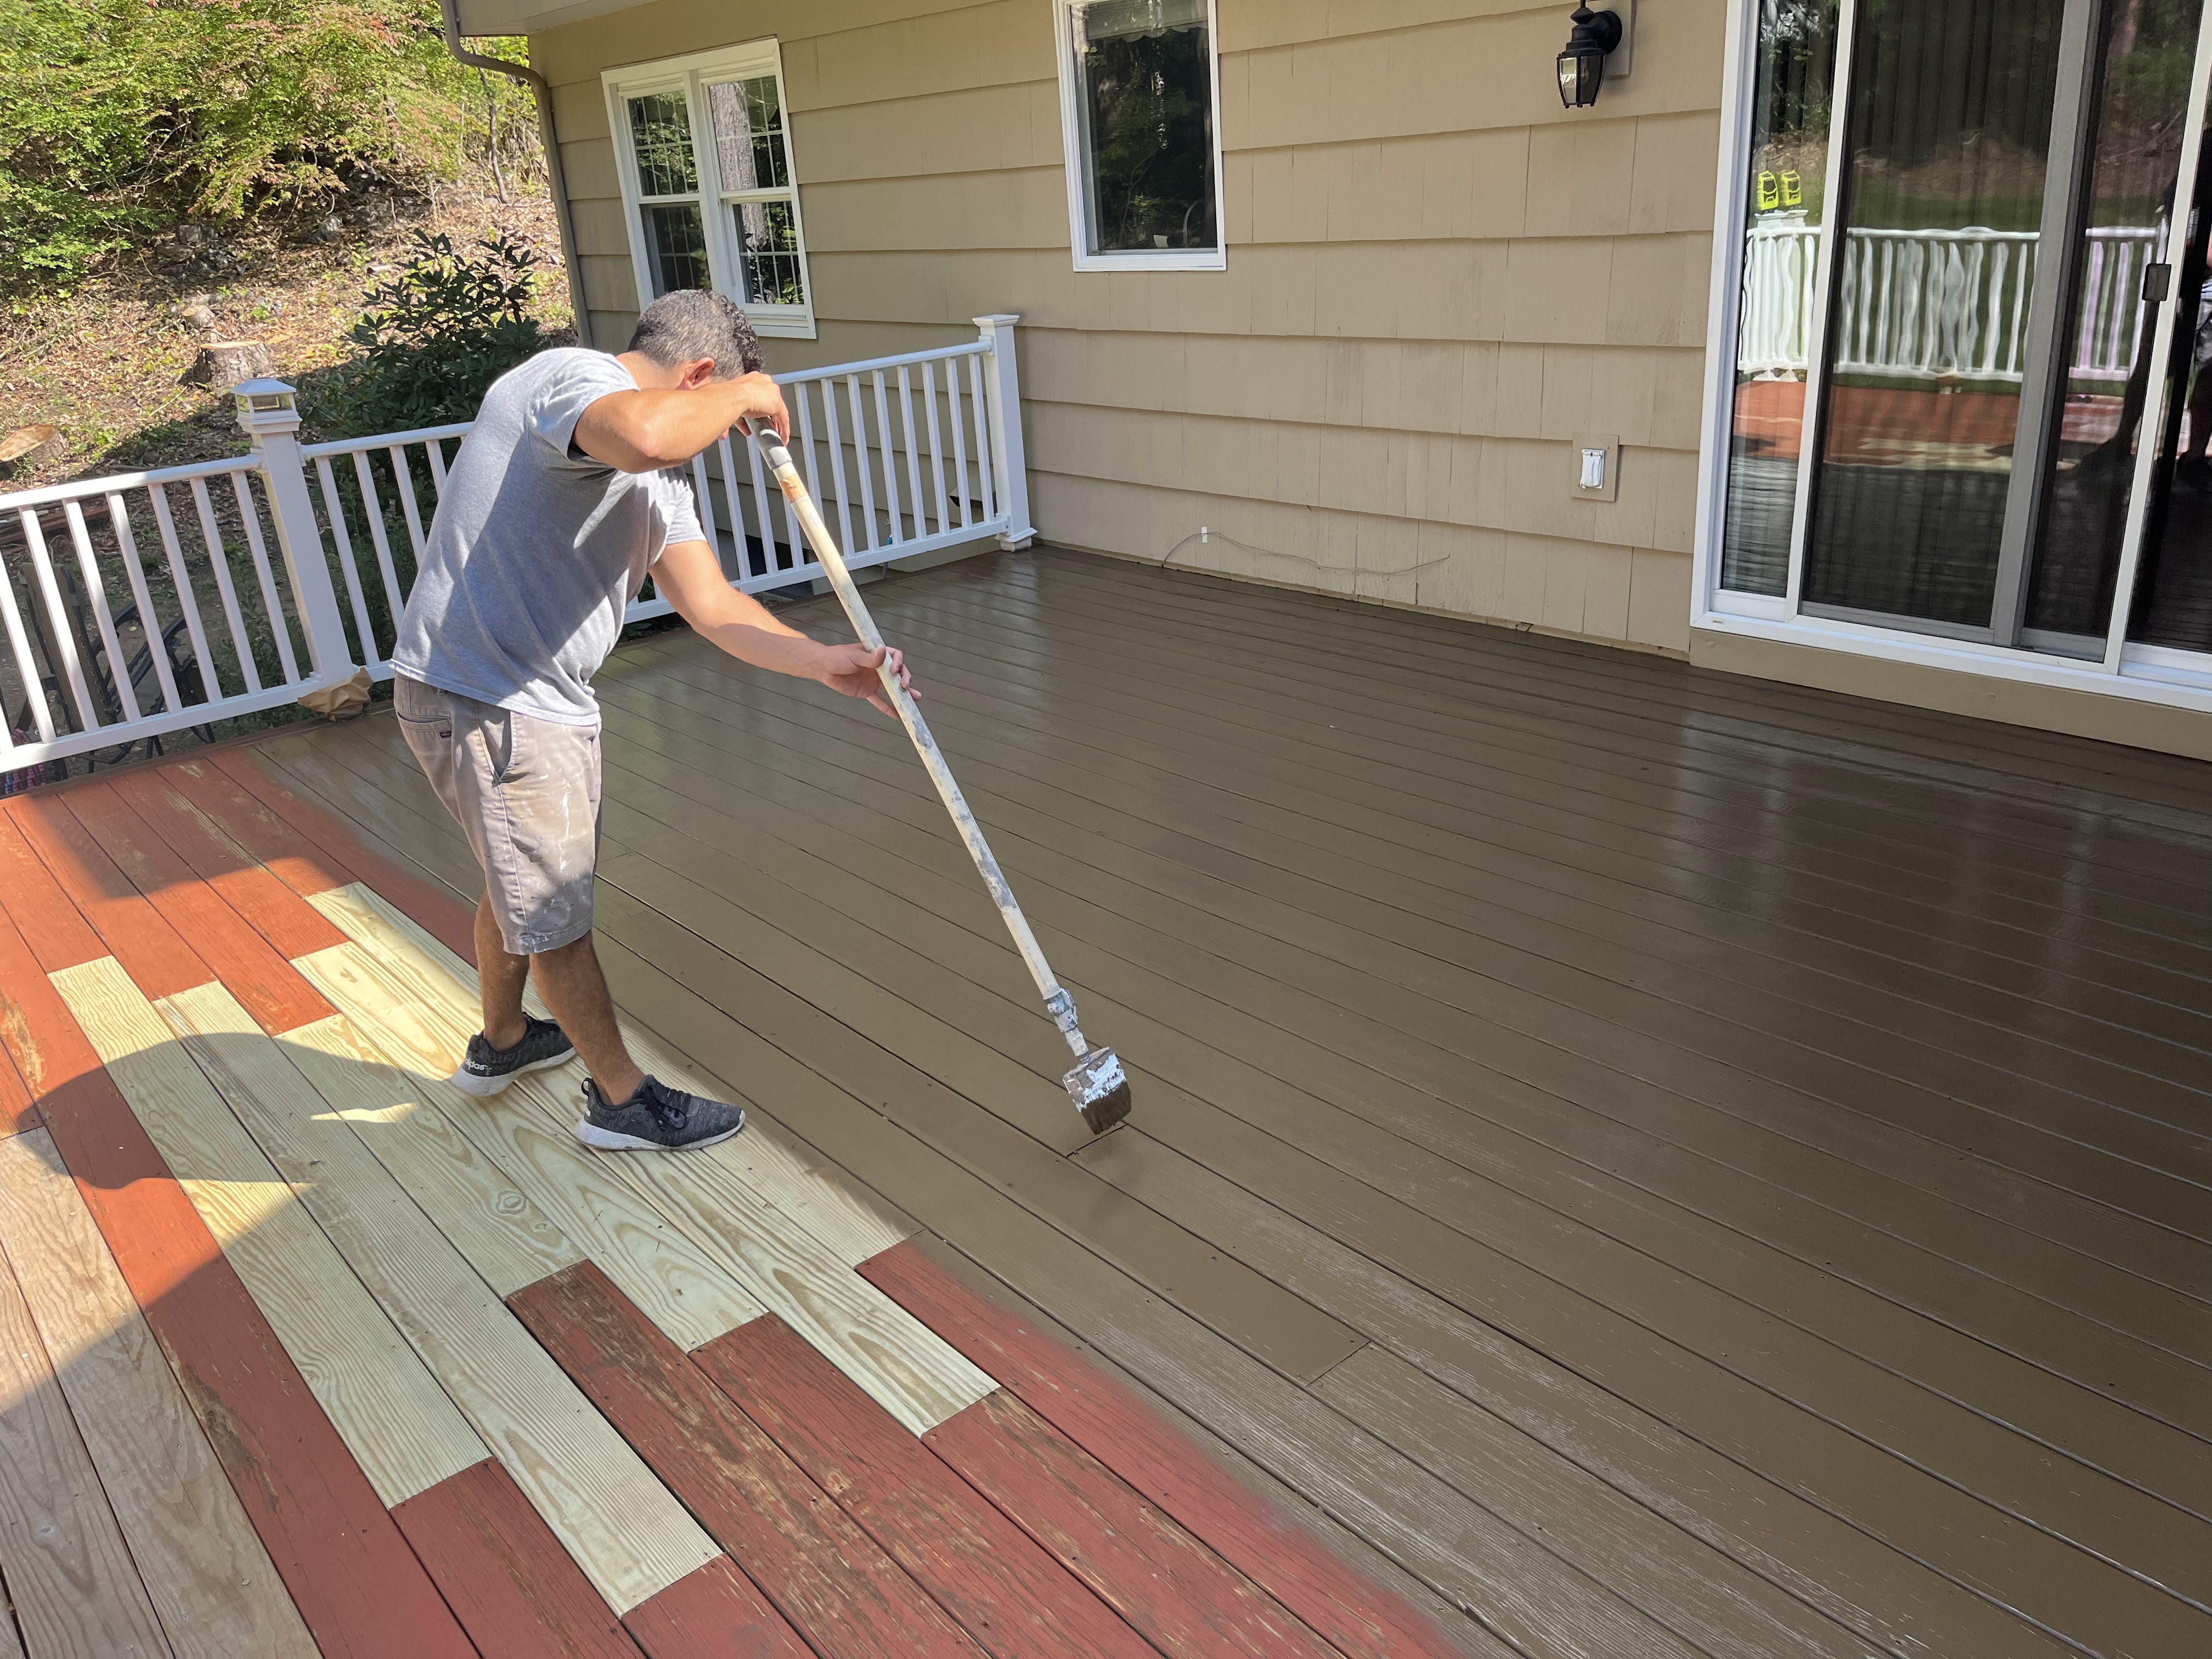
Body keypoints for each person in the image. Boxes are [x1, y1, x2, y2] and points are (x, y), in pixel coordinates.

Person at [388, 289, 911, 1152]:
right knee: (552, 903)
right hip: (489, 697)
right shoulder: (568, 378)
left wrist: (821, 660)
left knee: (523, 876)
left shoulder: (658, 480)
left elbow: (712, 605)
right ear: (700, 376)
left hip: (529, 699)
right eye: (721, 410)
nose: (721, 433)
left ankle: (506, 1041)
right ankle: (622, 1103)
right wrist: (748, 395)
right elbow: (646, 433)